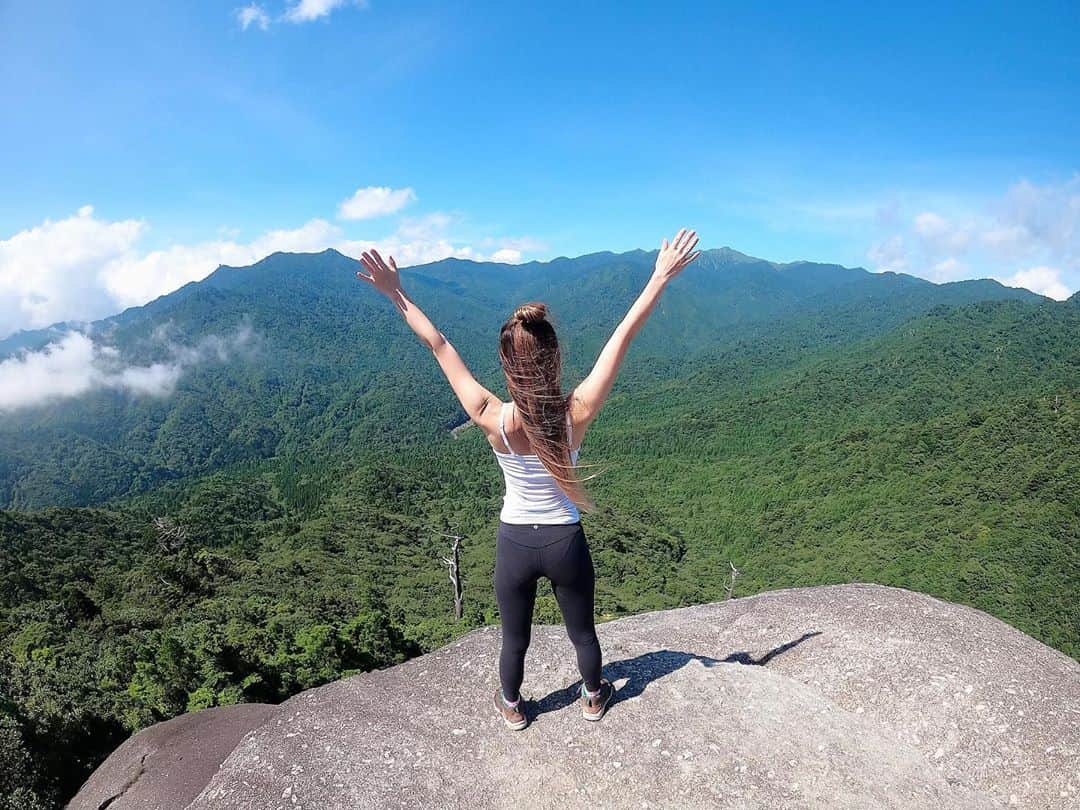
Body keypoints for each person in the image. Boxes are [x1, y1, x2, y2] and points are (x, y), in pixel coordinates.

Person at [355, 228, 701, 730]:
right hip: (565, 539)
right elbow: (622, 335)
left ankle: (514, 706)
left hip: (514, 540)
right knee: (582, 633)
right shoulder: (574, 414)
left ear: (507, 366)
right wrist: (659, 276)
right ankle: (592, 696)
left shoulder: (489, 415)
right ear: (554, 359)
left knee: (514, 638)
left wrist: (394, 292)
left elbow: (438, 343)